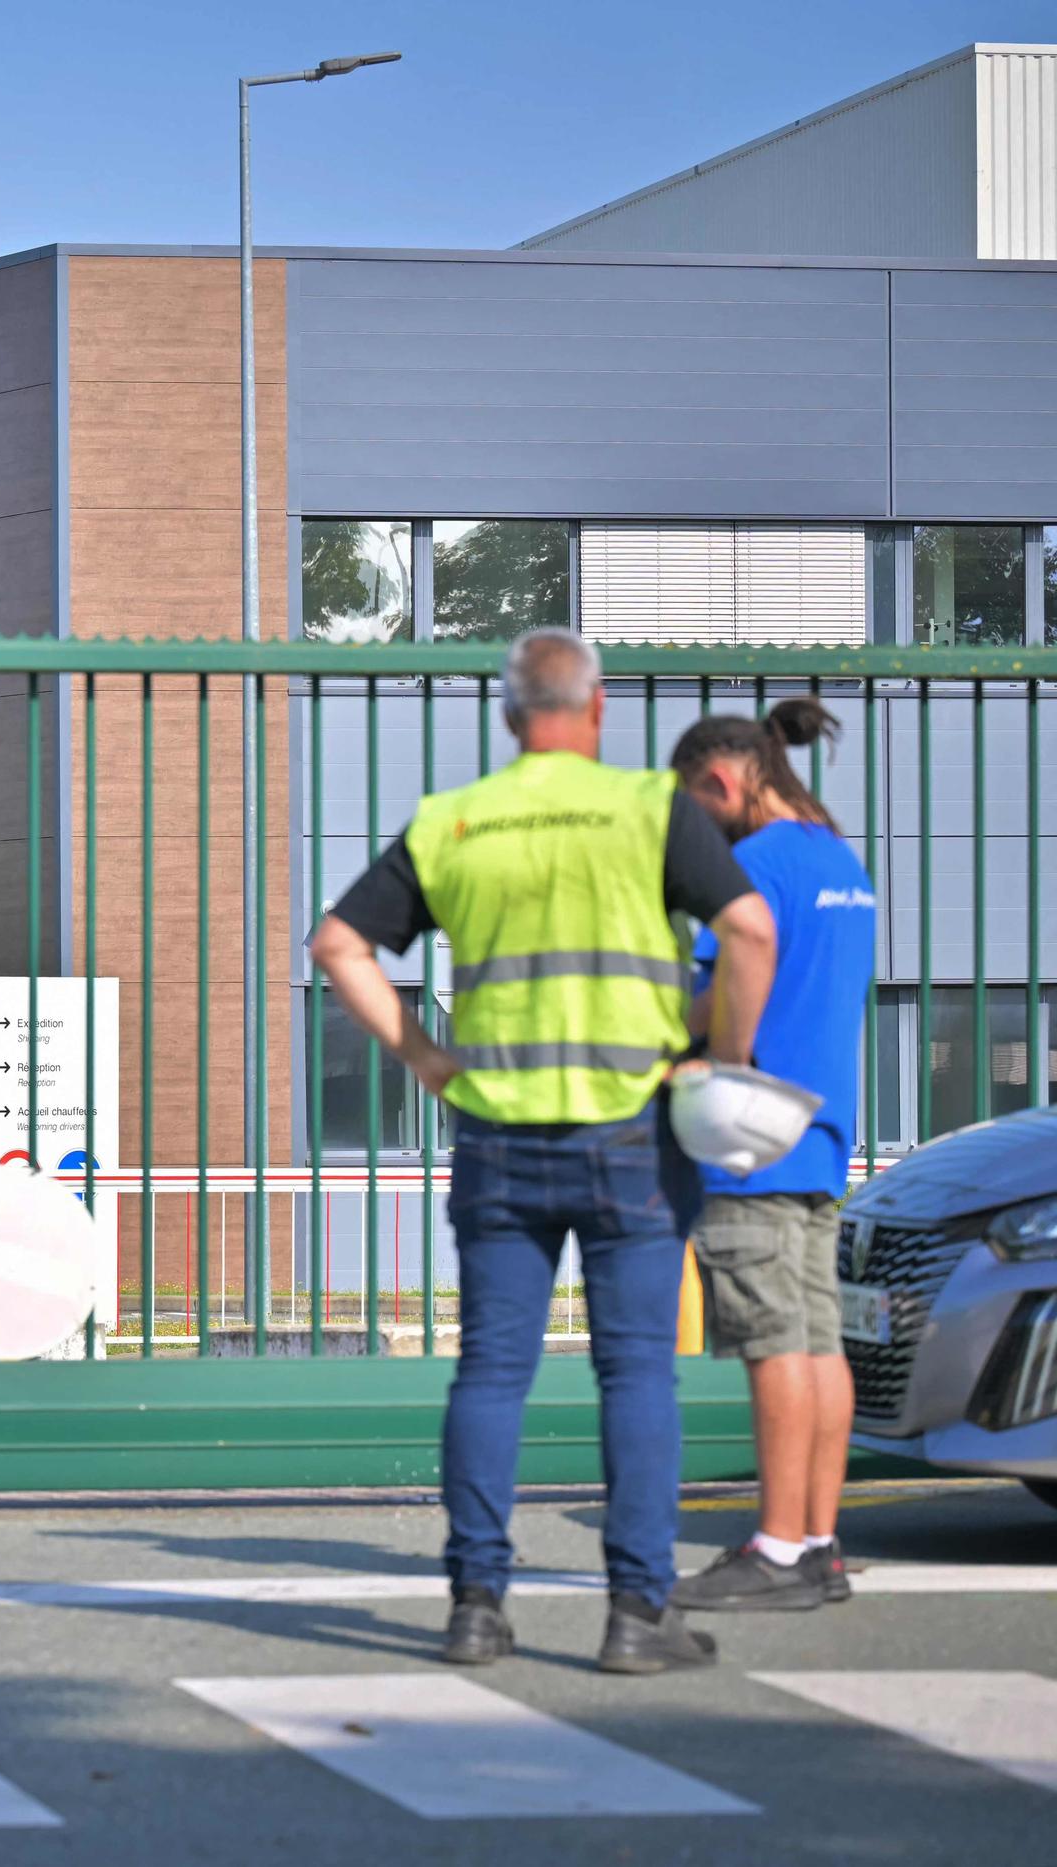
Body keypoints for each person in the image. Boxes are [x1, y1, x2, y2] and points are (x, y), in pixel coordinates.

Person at [308, 626, 777, 1677]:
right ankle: (633, 1614)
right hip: (631, 1133)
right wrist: (721, 1060)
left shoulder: (455, 820)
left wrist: (424, 1057)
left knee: (489, 1372)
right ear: (596, 709)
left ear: (511, 714)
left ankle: (476, 1607)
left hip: (498, 1134)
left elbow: (337, 944)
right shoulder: (646, 810)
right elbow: (749, 932)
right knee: (635, 1375)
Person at [664, 700, 876, 1612]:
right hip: (822, 1133)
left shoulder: (751, 867)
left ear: (720, 783)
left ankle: (778, 1548)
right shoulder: (841, 860)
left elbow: (720, 989)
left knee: (771, 1343)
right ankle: (820, 1543)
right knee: (820, 1340)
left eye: (692, 811)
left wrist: (696, 1047)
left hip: (754, 1137)